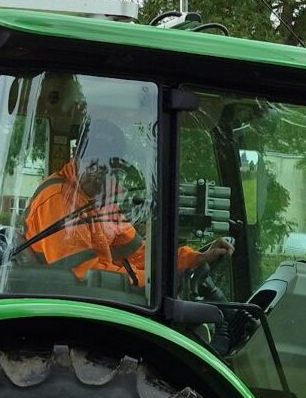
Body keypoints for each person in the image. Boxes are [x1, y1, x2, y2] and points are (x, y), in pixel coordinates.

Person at [21, 75, 232, 285]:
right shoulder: (57, 199)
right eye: (92, 161)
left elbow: (140, 255)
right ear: (77, 155)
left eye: (108, 165)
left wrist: (194, 258)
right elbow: (83, 277)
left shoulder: (103, 202)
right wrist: (150, 282)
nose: (98, 171)